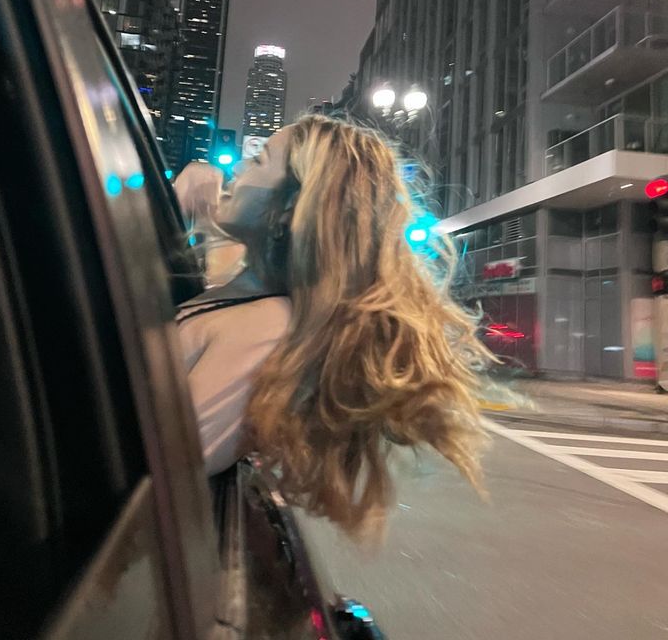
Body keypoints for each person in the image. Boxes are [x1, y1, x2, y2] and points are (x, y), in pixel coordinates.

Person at [172, 115, 484, 536]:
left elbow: (161, 468)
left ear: (287, 209)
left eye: (258, 160)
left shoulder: (266, 327)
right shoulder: (246, 292)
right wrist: (177, 213)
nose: (238, 170)